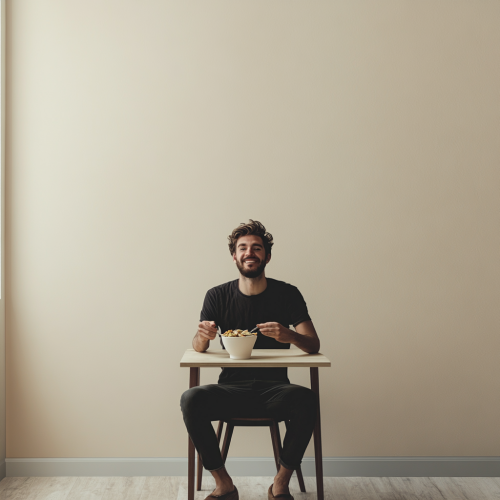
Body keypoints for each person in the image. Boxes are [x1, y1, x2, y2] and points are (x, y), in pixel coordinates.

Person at [180, 220, 320, 500]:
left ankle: (280, 485)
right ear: (234, 256)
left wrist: (290, 335)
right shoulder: (217, 295)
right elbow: (198, 347)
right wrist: (202, 335)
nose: (249, 253)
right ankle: (224, 485)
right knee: (191, 398)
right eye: (242, 248)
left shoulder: (287, 293)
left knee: (307, 399)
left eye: (257, 248)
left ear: (267, 256)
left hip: (276, 389)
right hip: (229, 388)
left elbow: (313, 344)